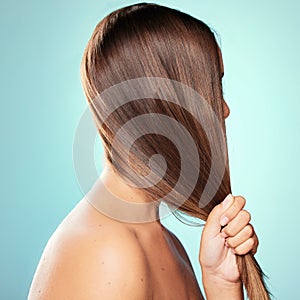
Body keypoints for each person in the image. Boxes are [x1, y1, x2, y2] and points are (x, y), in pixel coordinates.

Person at [28, 3, 261, 299]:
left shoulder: (166, 244)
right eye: (213, 88)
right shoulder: (109, 255)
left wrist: (221, 285)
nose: (224, 110)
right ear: (165, 103)